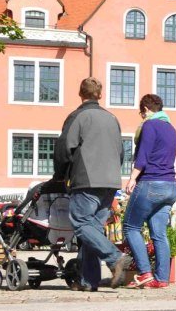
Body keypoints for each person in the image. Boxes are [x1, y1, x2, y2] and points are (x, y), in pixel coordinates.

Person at [52, 77, 133, 291]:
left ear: (81, 94)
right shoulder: (112, 118)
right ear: (100, 95)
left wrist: (59, 175)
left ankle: (115, 258)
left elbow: (63, 149)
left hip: (86, 179)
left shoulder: (78, 116)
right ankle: (89, 281)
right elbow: (121, 152)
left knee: (81, 223)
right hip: (110, 180)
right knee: (93, 229)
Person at [122, 94, 176, 289]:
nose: (141, 116)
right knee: (159, 233)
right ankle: (161, 279)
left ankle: (145, 271)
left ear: (146, 109)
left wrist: (132, 178)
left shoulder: (149, 125)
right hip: (170, 186)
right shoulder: (171, 128)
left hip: (151, 183)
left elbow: (143, 155)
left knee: (130, 227)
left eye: (141, 113)